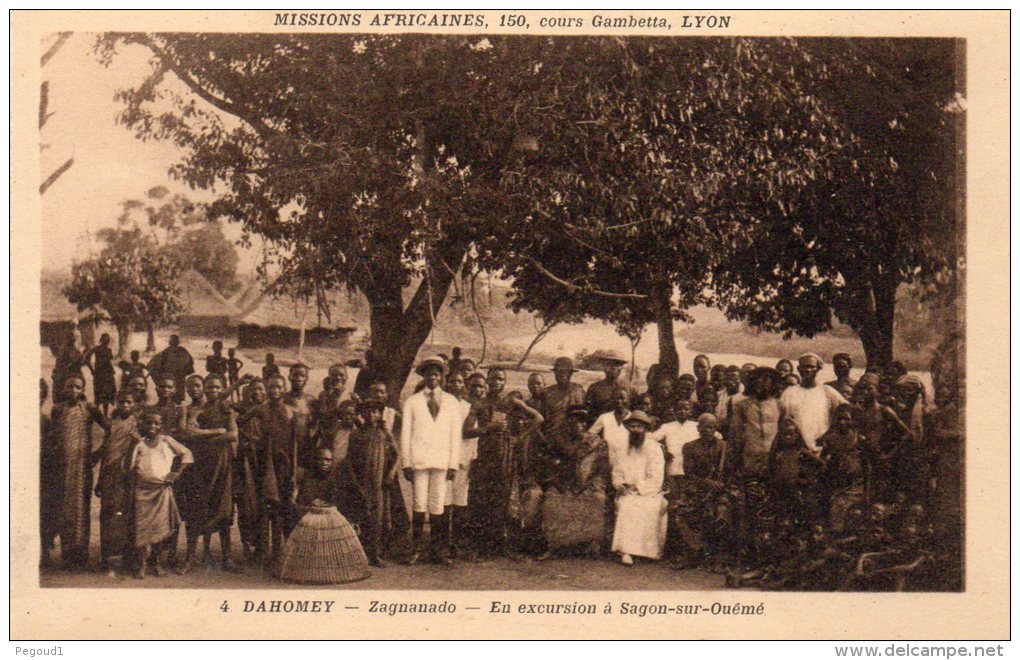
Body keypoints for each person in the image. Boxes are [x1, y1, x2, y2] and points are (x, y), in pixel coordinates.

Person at [399, 356, 462, 565]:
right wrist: (406, 463)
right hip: (419, 460)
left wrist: (453, 464)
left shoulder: (452, 402)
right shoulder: (413, 401)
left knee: (437, 504)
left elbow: (455, 435)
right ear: (423, 376)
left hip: (442, 460)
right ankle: (415, 549)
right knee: (418, 502)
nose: (433, 377)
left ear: (442, 376)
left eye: (436, 374)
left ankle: (438, 550)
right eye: (429, 374)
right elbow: (405, 434)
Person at [277, 447, 370, 584]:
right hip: (310, 512)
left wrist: (326, 504)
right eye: (321, 459)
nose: (324, 463)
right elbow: (302, 497)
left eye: (328, 460)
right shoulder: (307, 476)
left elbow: (337, 499)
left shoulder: (334, 478)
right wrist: (311, 502)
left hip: (329, 514)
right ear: (315, 460)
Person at [176, 374, 238, 574]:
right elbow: (187, 433)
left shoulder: (226, 409)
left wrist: (205, 438)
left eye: (216, 387)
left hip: (221, 464)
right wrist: (217, 432)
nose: (212, 391)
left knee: (223, 507)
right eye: (209, 387)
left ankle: (227, 556)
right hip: (198, 466)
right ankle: (190, 557)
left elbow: (233, 434)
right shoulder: (192, 410)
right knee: (196, 508)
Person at [51, 376, 109, 568]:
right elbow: (54, 435)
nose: (74, 390)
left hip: (82, 465)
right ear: (63, 388)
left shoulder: (90, 408)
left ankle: (80, 553)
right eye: (70, 386)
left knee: (81, 507)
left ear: (83, 389)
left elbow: (110, 429)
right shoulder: (57, 409)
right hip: (62, 466)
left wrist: (98, 453)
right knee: (64, 506)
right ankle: (67, 552)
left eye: (78, 387)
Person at [537, 405, 610, 560]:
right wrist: (557, 481)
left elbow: (602, 469)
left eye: (582, 421)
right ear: (567, 421)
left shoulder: (596, 442)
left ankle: (590, 544)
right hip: (563, 483)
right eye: (573, 420)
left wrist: (591, 485)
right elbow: (548, 463)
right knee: (551, 499)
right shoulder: (558, 439)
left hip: (589, 484)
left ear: (585, 424)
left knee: (598, 499)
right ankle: (553, 545)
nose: (578, 424)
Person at [343, 399, 407, 567]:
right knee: (361, 516)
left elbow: (398, 455)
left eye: (375, 411)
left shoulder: (384, 434)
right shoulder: (356, 434)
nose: (371, 414)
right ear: (361, 414)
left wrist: (391, 473)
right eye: (367, 411)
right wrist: (354, 482)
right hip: (361, 481)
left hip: (379, 482)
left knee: (377, 518)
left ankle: (375, 554)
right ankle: (361, 553)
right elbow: (349, 460)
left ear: (380, 414)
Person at [130, 410, 193, 579]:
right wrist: (132, 445)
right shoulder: (139, 443)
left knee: (161, 527)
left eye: (157, 423)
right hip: (143, 490)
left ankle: (157, 563)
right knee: (142, 527)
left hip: (162, 489)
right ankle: (142, 565)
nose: (152, 426)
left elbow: (186, 454)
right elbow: (129, 466)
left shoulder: (167, 441)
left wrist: (176, 473)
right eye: (149, 423)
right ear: (143, 425)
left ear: (162, 426)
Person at [249, 374, 299, 563]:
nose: (274, 390)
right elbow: (248, 431)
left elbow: (294, 444)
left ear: (284, 388)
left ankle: (278, 550)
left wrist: (293, 472)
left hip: (284, 466)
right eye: (271, 387)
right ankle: (262, 548)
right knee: (264, 507)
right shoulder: (260, 410)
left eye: (278, 387)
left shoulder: (290, 412)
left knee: (281, 507)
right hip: (262, 464)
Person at [611, 411, 667, 566]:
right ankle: (626, 551)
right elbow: (617, 471)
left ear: (645, 429)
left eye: (639, 427)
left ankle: (647, 552)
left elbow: (656, 477)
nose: (635, 430)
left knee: (647, 506)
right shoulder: (622, 448)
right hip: (627, 492)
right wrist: (619, 485)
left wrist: (638, 487)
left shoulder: (654, 448)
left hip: (649, 492)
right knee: (627, 504)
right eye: (632, 426)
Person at [95, 389, 139, 575]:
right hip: (109, 474)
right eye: (122, 402)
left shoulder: (138, 424)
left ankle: (128, 558)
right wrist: (99, 480)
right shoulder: (111, 424)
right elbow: (106, 452)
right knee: (109, 515)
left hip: (129, 475)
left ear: (134, 404)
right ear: (116, 402)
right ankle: (109, 559)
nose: (126, 405)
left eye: (129, 402)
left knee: (128, 515)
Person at [853, 373, 913, 503]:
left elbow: (907, 433)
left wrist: (890, 454)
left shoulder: (884, 410)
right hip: (860, 456)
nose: (865, 392)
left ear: (877, 390)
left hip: (878, 457)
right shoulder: (857, 411)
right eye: (862, 388)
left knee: (878, 492)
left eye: (869, 389)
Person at [778, 353, 848, 452]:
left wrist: (829, 435)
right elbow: (781, 421)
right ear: (798, 369)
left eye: (811, 367)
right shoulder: (789, 393)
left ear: (818, 369)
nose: (808, 370)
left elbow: (848, 411)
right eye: (804, 367)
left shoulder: (827, 391)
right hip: (795, 450)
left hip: (822, 450)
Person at [818, 404, 866, 532]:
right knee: (835, 507)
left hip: (856, 483)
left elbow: (867, 464)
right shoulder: (830, 439)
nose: (842, 422)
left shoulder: (859, 438)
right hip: (838, 482)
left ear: (852, 420)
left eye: (846, 419)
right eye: (839, 419)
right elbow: (822, 459)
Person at [233, 377, 266, 562]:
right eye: (254, 389)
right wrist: (237, 384)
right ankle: (245, 544)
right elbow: (222, 401)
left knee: (263, 503)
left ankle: (261, 546)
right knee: (245, 501)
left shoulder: (269, 408)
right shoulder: (243, 407)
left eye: (261, 389)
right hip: (245, 457)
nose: (258, 393)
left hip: (263, 459)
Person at [39, 378, 60, 568]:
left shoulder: (45, 420)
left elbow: (53, 445)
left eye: (40, 394)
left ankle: (45, 549)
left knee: (47, 509)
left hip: (43, 470)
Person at [588, 386, 632, 468]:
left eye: (622, 398)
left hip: (628, 462)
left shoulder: (633, 418)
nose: (619, 401)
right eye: (616, 398)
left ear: (628, 400)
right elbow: (590, 434)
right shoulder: (605, 417)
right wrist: (600, 443)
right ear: (612, 400)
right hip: (607, 462)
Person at [584, 350, 633, 419]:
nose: (614, 367)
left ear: (622, 367)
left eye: (617, 364)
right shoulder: (594, 388)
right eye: (609, 364)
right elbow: (589, 413)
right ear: (604, 366)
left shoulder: (630, 388)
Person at [147, 335, 194, 404]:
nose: (173, 343)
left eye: (174, 341)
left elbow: (190, 363)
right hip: (172, 377)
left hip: (179, 377)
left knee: (178, 396)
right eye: (173, 341)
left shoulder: (182, 351)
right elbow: (156, 364)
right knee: (169, 395)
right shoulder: (165, 352)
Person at [543, 357, 586, 430]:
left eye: (565, 372)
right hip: (551, 433)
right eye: (558, 372)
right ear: (555, 373)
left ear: (570, 374)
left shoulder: (578, 391)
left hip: (573, 433)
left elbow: (582, 416)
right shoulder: (547, 392)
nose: (561, 375)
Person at [84, 332, 117, 415]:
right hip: (100, 373)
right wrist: (91, 369)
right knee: (99, 393)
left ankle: (105, 414)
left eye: (107, 340)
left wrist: (92, 369)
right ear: (101, 340)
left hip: (108, 373)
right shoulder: (96, 349)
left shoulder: (108, 349)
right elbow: (86, 358)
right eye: (105, 339)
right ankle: (97, 414)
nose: (106, 341)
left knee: (107, 393)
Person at [52, 337, 85, 401]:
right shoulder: (68, 351)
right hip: (68, 373)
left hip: (71, 373)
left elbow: (79, 363)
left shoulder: (68, 351)